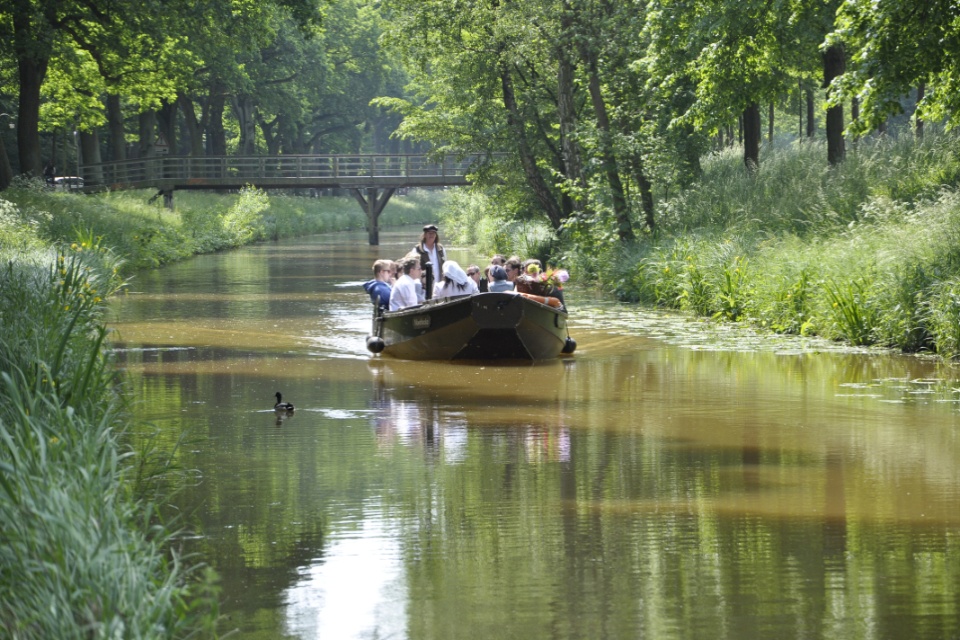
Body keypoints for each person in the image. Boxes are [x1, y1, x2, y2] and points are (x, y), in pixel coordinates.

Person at [413, 224, 446, 299]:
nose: (431, 235)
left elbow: (445, 265)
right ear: (424, 235)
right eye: (429, 233)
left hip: (439, 285)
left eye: (433, 233)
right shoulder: (417, 250)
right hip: (424, 287)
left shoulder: (440, 249)